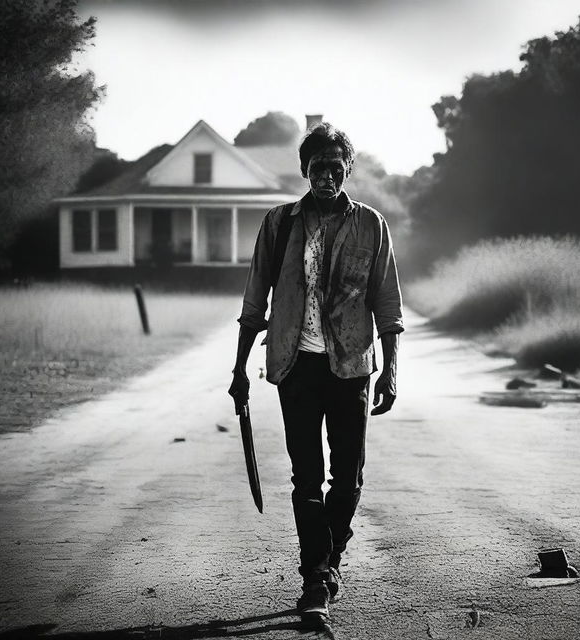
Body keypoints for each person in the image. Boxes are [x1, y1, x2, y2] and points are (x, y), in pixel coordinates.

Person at [228, 122, 403, 623]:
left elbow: (387, 303)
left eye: (335, 166)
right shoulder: (279, 223)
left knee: (346, 479)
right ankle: (316, 577)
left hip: (350, 368)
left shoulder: (371, 225)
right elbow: (254, 299)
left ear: (348, 169)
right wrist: (240, 367)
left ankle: (330, 559)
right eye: (316, 167)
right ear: (304, 170)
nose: (325, 175)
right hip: (295, 366)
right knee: (305, 478)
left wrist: (390, 372)